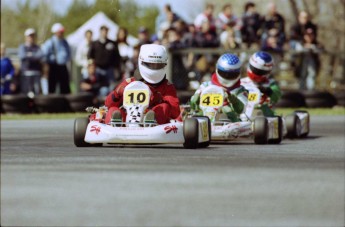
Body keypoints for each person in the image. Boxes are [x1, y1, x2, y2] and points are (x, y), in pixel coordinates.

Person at [104, 44, 180, 125]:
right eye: (151, 64)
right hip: (127, 120)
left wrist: (159, 99)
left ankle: (150, 122)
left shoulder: (167, 87)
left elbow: (175, 112)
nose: (154, 67)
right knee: (113, 109)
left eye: (158, 65)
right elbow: (107, 105)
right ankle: (115, 124)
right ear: (142, 62)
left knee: (164, 106)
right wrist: (116, 94)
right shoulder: (130, 83)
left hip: (154, 124)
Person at [190, 53, 248, 122]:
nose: (227, 76)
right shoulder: (205, 86)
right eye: (224, 73)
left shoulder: (240, 91)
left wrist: (234, 101)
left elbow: (242, 110)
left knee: (228, 110)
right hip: (206, 121)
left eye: (231, 75)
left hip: (231, 123)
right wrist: (194, 101)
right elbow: (193, 106)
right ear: (217, 69)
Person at [241, 51, 281, 117]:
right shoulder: (241, 82)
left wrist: (267, 91)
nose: (256, 73)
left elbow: (276, 95)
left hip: (263, 114)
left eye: (260, 72)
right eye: (255, 70)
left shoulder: (270, 83)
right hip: (242, 111)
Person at [88, 25, 122, 90]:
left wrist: (116, 68)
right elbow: (90, 56)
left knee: (112, 87)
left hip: (110, 69)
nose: (104, 33)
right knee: (98, 86)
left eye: (106, 31)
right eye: (103, 31)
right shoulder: (95, 44)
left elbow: (117, 57)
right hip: (98, 69)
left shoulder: (112, 43)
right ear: (100, 32)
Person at [42, 23, 71, 94]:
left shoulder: (64, 42)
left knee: (65, 87)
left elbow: (68, 53)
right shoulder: (50, 42)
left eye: (62, 32)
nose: (61, 33)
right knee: (52, 87)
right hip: (53, 66)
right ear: (55, 32)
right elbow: (44, 54)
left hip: (63, 66)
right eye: (60, 32)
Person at [18, 28, 44, 96]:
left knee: (37, 94)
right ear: (26, 37)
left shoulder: (38, 47)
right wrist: (34, 56)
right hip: (26, 74)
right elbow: (22, 56)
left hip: (36, 73)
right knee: (26, 94)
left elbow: (40, 56)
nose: (31, 37)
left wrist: (29, 55)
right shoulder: (22, 47)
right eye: (29, 36)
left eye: (32, 36)